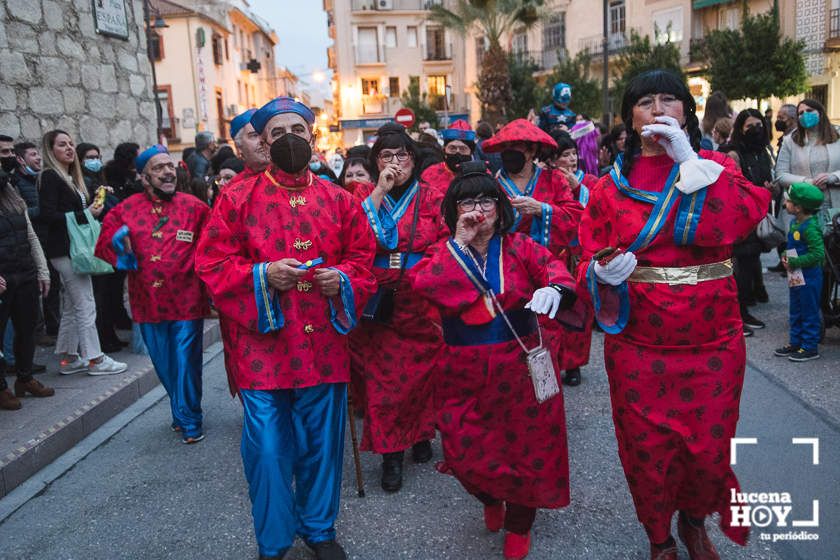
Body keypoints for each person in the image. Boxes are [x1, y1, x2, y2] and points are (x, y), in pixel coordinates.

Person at [578, 70, 770, 560]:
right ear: (630, 118)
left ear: (686, 112)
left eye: (670, 100)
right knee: (648, 450)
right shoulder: (607, 187)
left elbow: (742, 218)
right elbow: (584, 255)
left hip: (714, 338)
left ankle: (693, 521)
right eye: (646, 102)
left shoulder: (714, 166)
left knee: (709, 447)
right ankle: (659, 537)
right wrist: (602, 272)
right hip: (640, 342)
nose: (659, 109)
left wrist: (692, 164)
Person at [195, 96, 376, 560]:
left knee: (322, 444)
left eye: (298, 129)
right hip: (262, 346)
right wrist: (261, 275)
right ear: (264, 141)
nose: (289, 139)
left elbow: (363, 261)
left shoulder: (340, 200)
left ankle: (319, 529)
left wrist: (344, 279)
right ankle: (274, 541)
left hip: (324, 343)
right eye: (277, 133)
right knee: (270, 450)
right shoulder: (236, 198)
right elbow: (212, 263)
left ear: (313, 135)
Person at [411, 163, 586, 560]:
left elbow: (555, 270)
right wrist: (459, 242)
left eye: (486, 199)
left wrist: (557, 289)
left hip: (519, 367)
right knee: (461, 452)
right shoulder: (445, 252)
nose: (478, 208)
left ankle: (520, 524)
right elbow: (423, 285)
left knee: (527, 451)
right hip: (462, 370)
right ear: (454, 210)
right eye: (467, 201)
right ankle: (489, 495)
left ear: (499, 206)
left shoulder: (522, 247)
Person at [350, 122, 445, 493]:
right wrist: (378, 191)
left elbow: (444, 242)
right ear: (375, 162)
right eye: (385, 156)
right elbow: (354, 235)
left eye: (401, 155)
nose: (394, 162)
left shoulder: (433, 196)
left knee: (421, 377)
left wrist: (427, 274)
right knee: (385, 384)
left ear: (413, 158)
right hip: (379, 302)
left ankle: (420, 433)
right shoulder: (363, 194)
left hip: (419, 298)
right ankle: (391, 454)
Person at [96, 145, 210, 442]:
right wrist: (121, 247)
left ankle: (190, 420)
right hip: (147, 302)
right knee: (165, 364)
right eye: (158, 168)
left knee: (187, 362)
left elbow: (216, 243)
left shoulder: (195, 208)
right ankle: (181, 410)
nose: (167, 171)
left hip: (188, 301)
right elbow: (104, 244)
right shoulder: (125, 209)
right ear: (144, 177)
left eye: (169, 166)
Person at [35, 130, 128, 376]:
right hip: (66, 249)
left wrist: (88, 209)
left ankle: (69, 356)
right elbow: (47, 215)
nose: (68, 148)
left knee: (73, 305)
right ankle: (95, 359)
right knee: (85, 303)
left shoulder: (65, 176)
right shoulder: (51, 176)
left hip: (69, 248)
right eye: (61, 144)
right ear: (50, 149)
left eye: (70, 144)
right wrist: (86, 214)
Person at [480, 118, 582, 257]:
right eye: (505, 146)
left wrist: (542, 209)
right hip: (503, 263)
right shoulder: (492, 185)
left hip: (547, 263)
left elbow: (574, 218)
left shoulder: (554, 180)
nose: (508, 151)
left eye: (515, 145)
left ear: (532, 150)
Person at [544, 130, 598, 386]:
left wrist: (580, 189)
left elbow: (599, 209)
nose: (572, 159)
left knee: (579, 310)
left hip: (579, 255)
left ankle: (574, 363)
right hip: (554, 255)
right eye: (565, 155)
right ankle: (553, 360)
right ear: (553, 159)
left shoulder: (588, 180)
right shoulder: (548, 181)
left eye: (574, 153)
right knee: (552, 312)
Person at [0, 168, 54, 410]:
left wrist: (42, 270)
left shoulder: (11, 194)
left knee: (27, 329)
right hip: (3, 280)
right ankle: (1, 388)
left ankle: (25, 378)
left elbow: (31, 236)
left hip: (25, 273)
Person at [724, 109, 776, 335]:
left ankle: (743, 310)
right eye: (749, 127)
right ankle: (739, 315)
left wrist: (770, 189)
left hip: (757, 216)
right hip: (739, 219)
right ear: (740, 130)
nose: (755, 131)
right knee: (740, 267)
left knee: (748, 264)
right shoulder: (734, 152)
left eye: (758, 126)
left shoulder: (763, 152)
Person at [77, 142, 127, 353]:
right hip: (96, 243)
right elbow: (96, 210)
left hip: (107, 241)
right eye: (90, 157)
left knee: (109, 292)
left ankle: (109, 335)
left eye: (97, 156)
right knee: (101, 295)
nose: (95, 160)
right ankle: (104, 338)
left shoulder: (99, 181)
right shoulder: (85, 185)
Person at [775, 182, 826, 362]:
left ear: (798, 208)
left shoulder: (810, 227)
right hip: (796, 275)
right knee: (795, 309)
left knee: (809, 311)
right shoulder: (795, 222)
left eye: (789, 202)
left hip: (810, 276)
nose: (785, 204)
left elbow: (818, 254)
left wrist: (795, 262)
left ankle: (810, 347)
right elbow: (791, 246)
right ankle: (796, 342)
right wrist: (784, 255)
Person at [776, 98, 840, 220]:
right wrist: (808, 182)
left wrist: (834, 177)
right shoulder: (790, 141)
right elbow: (781, 175)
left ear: (820, 113)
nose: (805, 115)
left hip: (834, 205)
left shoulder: (838, 135)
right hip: (802, 209)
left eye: (809, 110)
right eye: (800, 113)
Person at [419, 119, 476, 194]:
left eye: (463, 149)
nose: (457, 152)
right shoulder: (429, 174)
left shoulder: (481, 174)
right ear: (444, 150)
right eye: (452, 148)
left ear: (471, 152)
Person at [229, 109, 270, 188]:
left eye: (265, 133)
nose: (262, 140)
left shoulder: (293, 179)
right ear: (239, 147)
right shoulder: (233, 191)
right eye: (254, 135)